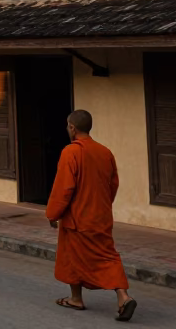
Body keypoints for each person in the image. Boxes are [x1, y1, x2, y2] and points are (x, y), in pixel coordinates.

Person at [47, 110, 137, 322]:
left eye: (68, 126)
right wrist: (103, 205)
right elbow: (113, 185)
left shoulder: (71, 152)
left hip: (77, 218)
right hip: (101, 215)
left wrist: (53, 213)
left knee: (71, 255)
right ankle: (118, 296)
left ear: (72, 128)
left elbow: (64, 188)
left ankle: (83, 298)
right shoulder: (105, 152)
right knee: (107, 256)